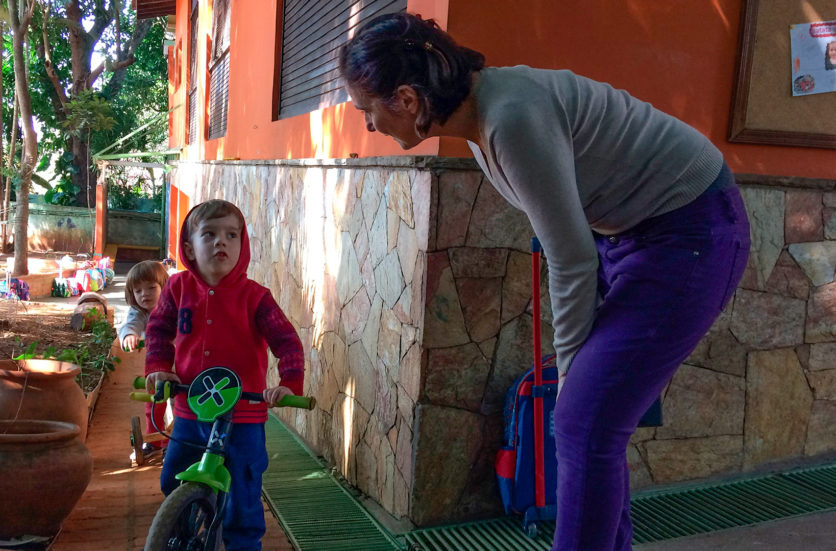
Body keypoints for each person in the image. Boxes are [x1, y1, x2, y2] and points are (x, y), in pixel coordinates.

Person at [340, 13, 750, 551]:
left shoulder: (509, 117)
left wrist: (574, 366)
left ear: (408, 100)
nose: (369, 125)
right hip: (633, 235)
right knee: (592, 424)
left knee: (582, 420)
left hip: (691, 232)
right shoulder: (481, 119)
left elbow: (572, 258)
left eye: (368, 111)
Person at [145, 199, 304, 551]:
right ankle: (182, 532)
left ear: (242, 245)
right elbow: (157, 330)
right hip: (191, 408)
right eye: (210, 234)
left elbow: (287, 342)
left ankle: (242, 545)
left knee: (243, 497)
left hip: (244, 417)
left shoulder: (256, 298)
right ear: (189, 247)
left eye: (232, 235)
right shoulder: (176, 289)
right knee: (173, 479)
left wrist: (288, 384)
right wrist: (159, 369)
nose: (222, 242)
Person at [120, 259, 170, 458]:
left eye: (151, 287)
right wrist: (129, 335)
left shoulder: (173, 306)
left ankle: (176, 441)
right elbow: (130, 324)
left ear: (164, 287)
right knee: (154, 402)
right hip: (155, 365)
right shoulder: (139, 311)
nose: (144, 294)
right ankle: (155, 442)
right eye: (138, 291)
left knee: (182, 404)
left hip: (181, 364)